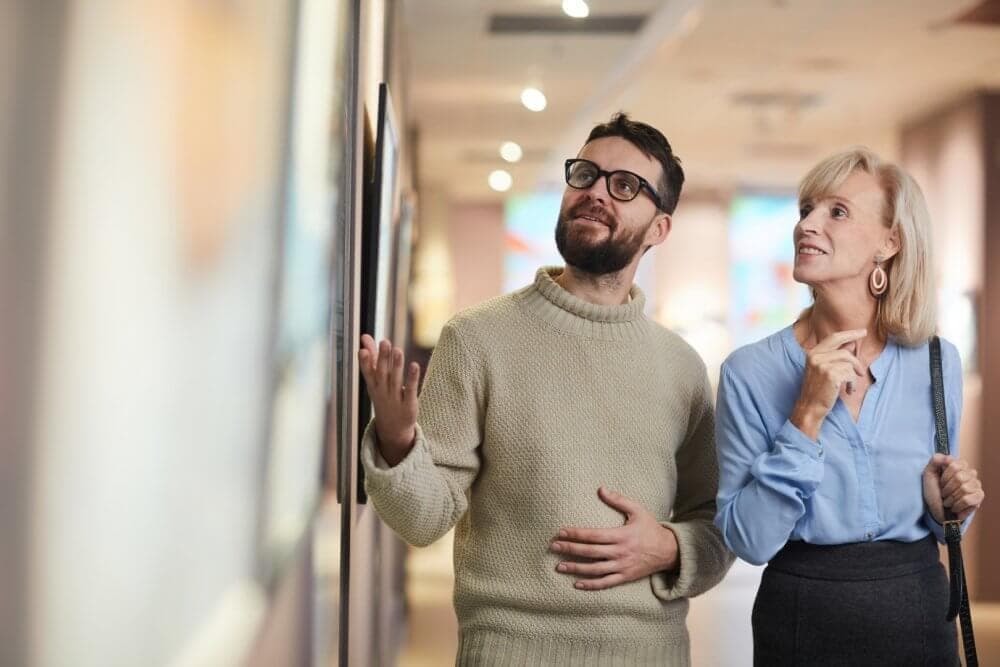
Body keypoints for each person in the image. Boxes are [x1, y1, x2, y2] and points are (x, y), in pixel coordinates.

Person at [358, 113, 733, 665]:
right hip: (507, 651)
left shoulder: (682, 368)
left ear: (659, 228)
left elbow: (719, 526)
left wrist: (669, 546)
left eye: (624, 185)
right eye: (585, 174)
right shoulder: (476, 337)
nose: (596, 192)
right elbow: (423, 520)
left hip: (649, 653)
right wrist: (397, 441)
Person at [714, 147, 986, 665]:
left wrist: (949, 507)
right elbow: (748, 540)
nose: (807, 225)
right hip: (800, 621)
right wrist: (806, 416)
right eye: (806, 210)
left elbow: (940, 524)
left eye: (836, 211)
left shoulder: (937, 360)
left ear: (890, 242)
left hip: (920, 615)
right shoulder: (748, 372)